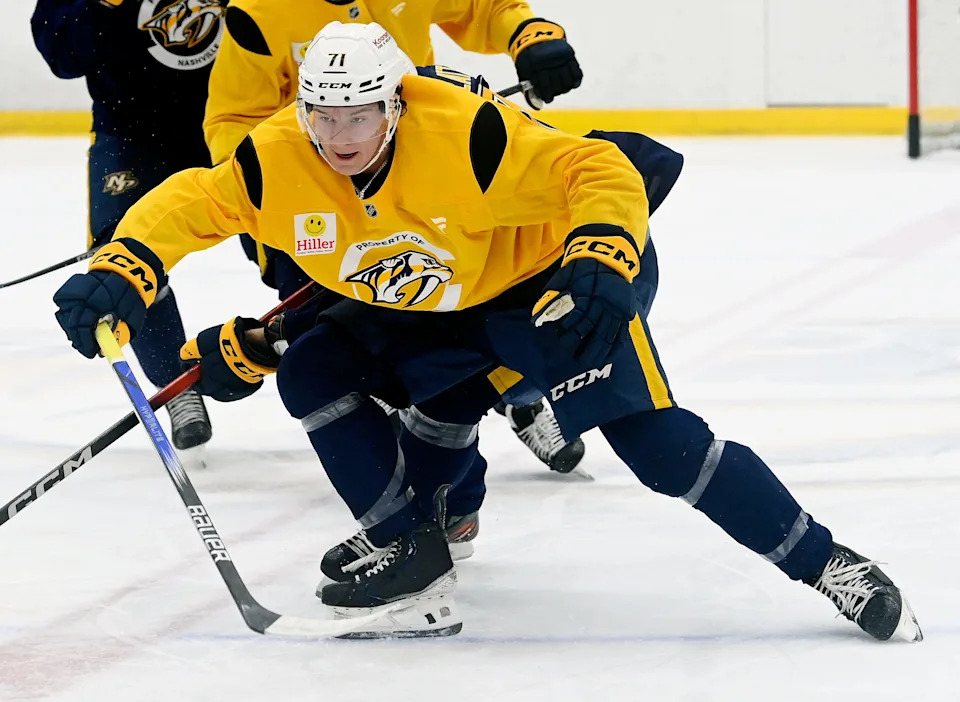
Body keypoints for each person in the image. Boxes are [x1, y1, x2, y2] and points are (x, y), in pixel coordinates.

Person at [51, 23, 922, 643]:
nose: (338, 137)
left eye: (358, 115)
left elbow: (601, 164)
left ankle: (829, 564)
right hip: (440, 298)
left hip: (545, 287)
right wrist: (123, 267)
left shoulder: (467, 136)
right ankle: (413, 551)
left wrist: (604, 252)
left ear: (395, 102)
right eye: (323, 114)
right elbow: (193, 201)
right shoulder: (282, 151)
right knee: (313, 369)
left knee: (660, 448)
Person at [202, 0, 587, 478]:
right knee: (348, 344)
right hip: (323, 206)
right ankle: (410, 473)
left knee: (479, 305)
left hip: (422, 184)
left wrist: (529, 34)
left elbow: (485, 10)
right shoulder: (260, 11)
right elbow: (231, 120)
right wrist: (277, 185)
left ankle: (517, 400)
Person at [31, 0, 216, 451]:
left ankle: (355, 364)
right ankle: (178, 385)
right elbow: (63, 58)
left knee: (302, 234)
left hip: (233, 116)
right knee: (121, 254)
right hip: (130, 129)